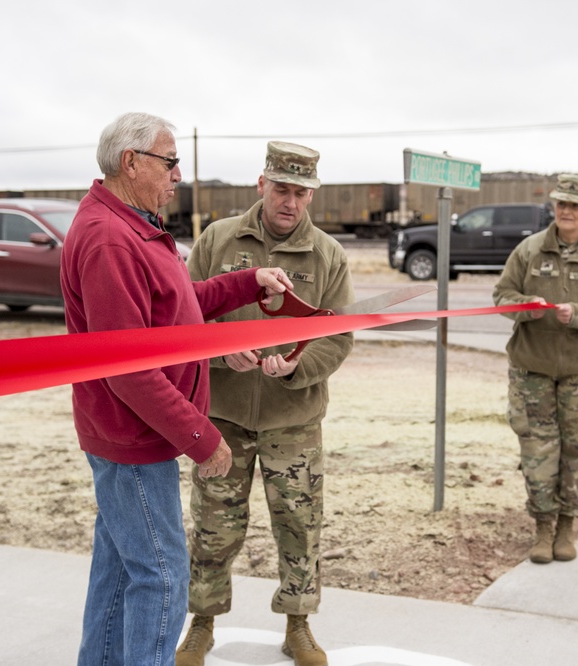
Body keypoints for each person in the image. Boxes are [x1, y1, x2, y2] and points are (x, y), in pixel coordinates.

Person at [60, 112, 294, 666]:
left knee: (120, 570)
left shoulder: (131, 225)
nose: (178, 175)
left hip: (131, 439)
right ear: (130, 162)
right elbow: (128, 367)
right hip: (133, 442)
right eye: (169, 162)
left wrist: (246, 282)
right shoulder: (111, 240)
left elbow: (176, 308)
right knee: (163, 576)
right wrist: (201, 436)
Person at [177, 141, 354, 666]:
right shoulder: (218, 240)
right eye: (282, 190)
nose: (291, 203)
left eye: (302, 193)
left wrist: (299, 366)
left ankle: (297, 625)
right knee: (214, 525)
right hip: (224, 418)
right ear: (262, 185)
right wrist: (220, 353)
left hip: (293, 420)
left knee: (299, 525)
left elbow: (339, 336)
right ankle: (202, 623)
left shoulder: (327, 255)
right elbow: (184, 318)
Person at [492, 173, 578, 564]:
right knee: (537, 451)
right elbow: (502, 296)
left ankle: (567, 525)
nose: (567, 211)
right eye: (561, 204)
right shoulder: (529, 250)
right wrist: (527, 306)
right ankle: (542, 526)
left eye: (576, 205)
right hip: (532, 368)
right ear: (553, 206)